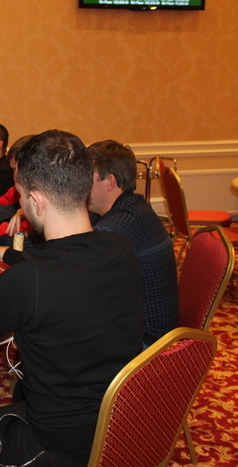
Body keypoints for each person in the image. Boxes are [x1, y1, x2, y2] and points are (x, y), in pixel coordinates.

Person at [0, 130, 144, 467]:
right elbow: (64, 264)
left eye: (20, 195)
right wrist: (4, 252)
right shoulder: (120, 249)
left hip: (54, 449)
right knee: (19, 394)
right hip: (120, 429)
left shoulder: (27, 281)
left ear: (36, 201)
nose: (19, 203)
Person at [87, 140, 179, 347]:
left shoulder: (123, 223)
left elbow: (73, 258)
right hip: (134, 324)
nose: (80, 184)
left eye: (86, 177)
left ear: (110, 182)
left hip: (148, 341)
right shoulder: (125, 207)